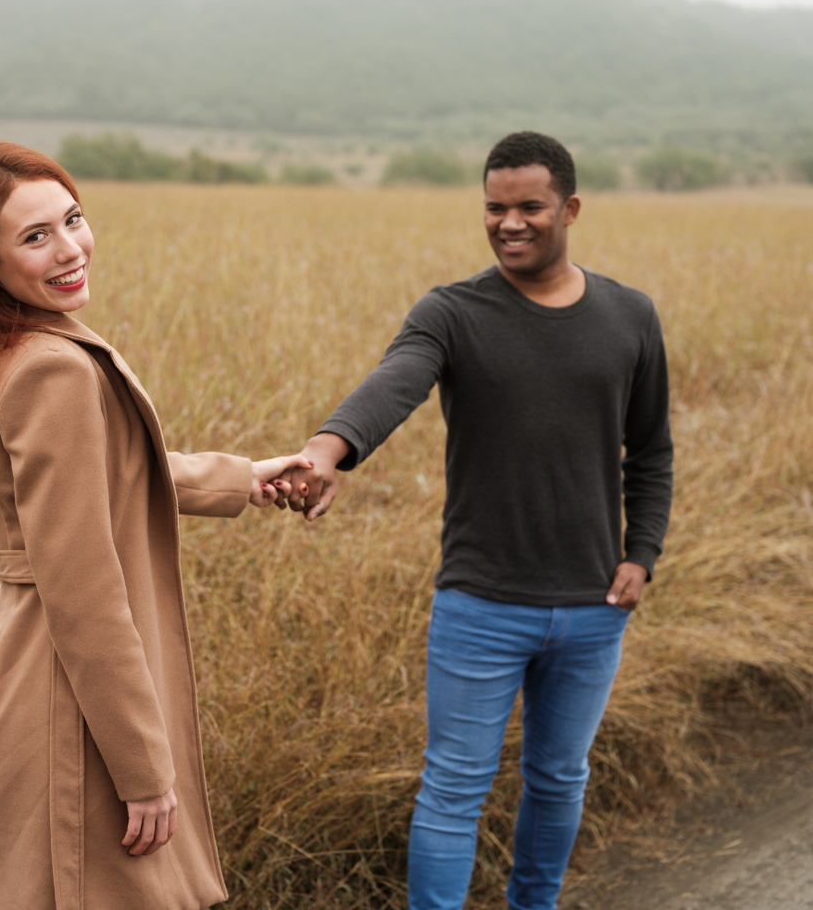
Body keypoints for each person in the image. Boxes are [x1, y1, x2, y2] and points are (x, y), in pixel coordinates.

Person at [0, 142, 308, 910]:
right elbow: (83, 590)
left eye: (73, 219)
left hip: (30, 678)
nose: (69, 249)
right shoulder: (51, 368)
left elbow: (113, 471)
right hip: (68, 706)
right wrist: (142, 770)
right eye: (35, 237)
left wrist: (244, 476)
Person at [285, 131, 674, 910]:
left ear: (569, 208)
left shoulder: (630, 315)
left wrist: (643, 554)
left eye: (529, 206)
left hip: (595, 608)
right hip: (481, 605)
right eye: (494, 208)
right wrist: (326, 451)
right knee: (454, 787)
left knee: (560, 778)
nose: (509, 223)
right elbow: (394, 383)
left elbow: (652, 450)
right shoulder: (453, 312)